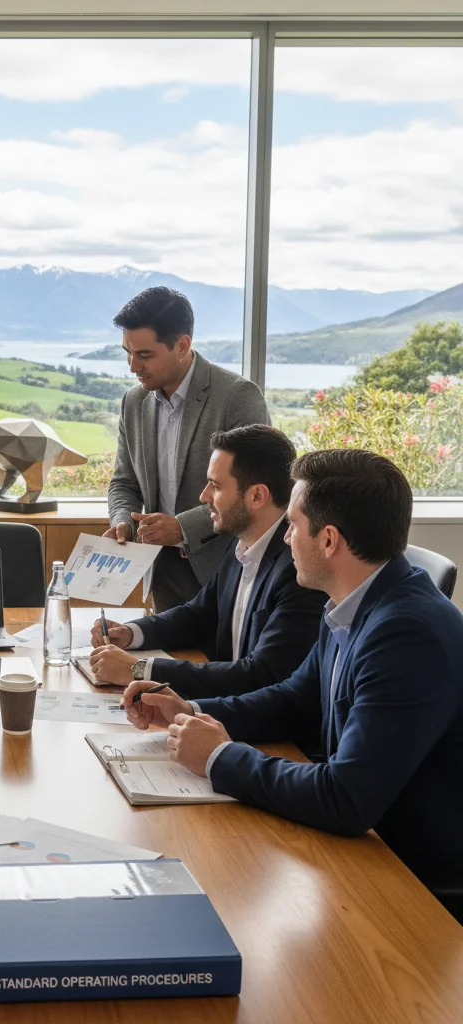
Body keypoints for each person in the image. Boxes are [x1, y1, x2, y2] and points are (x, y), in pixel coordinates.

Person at [122, 450, 463, 918]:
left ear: (328, 541)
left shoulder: (407, 634)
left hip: (406, 882)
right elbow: (295, 699)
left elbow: (346, 798)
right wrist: (193, 711)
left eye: (293, 525)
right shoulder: (353, 599)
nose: (284, 537)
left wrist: (218, 757)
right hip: (359, 848)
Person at [90, 425, 326, 700]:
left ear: (257, 496)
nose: (204, 497)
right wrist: (130, 633)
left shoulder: (298, 569)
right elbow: (199, 615)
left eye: (215, 486)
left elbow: (260, 675)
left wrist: (140, 669)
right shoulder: (241, 541)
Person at [105, 287, 270, 612]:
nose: (132, 366)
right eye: (128, 351)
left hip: (224, 571)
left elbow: (256, 490)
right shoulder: (133, 402)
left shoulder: (237, 397)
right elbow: (124, 482)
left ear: (182, 345)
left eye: (145, 355)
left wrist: (182, 527)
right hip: (160, 572)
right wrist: (123, 520)